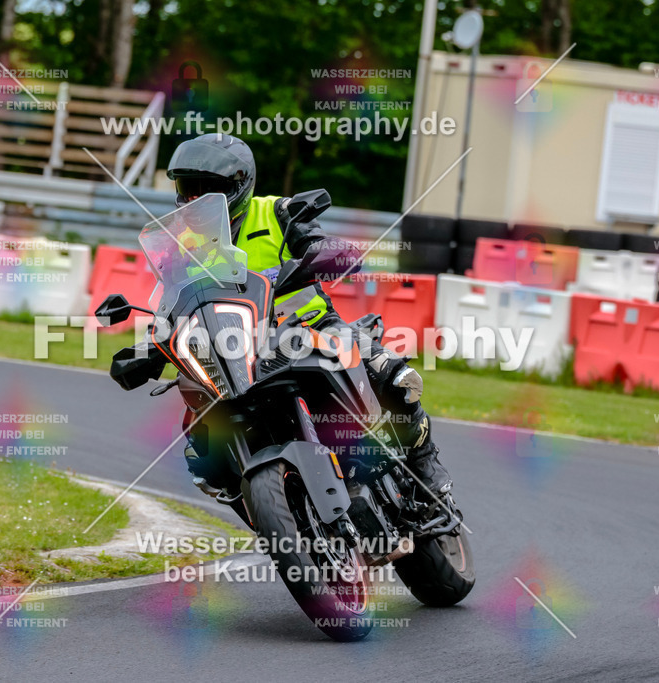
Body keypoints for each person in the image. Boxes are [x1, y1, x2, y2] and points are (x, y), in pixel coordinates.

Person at [166, 133, 452, 499]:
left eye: (208, 190)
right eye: (189, 189)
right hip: (235, 351)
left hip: (313, 328)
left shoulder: (276, 213)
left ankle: (426, 464)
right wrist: (148, 346)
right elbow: (173, 304)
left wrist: (324, 253)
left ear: (239, 186)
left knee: (391, 375)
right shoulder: (183, 250)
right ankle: (267, 504)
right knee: (199, 441)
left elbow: (318, 243)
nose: (196, 200)